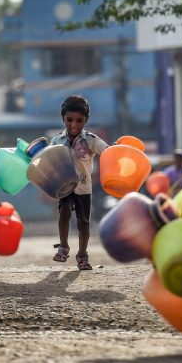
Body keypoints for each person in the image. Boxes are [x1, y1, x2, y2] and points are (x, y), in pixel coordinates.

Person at [49, 96, 108, 270]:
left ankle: (82, 255)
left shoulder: (92, 140)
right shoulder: (56, 141)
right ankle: (63, 247)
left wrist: (117, 150)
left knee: (83, 222)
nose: (74, 124)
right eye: (69, 120)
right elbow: (48, 159)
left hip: (84, 186)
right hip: (64, 186)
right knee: (64, 212)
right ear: (63, 118)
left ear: (86, 120)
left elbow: (108, 152)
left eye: (79, 120)